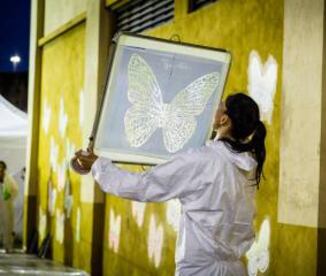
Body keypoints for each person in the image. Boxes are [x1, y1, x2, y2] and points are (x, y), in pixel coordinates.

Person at [75, 93, 267, 275]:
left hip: (200, 271)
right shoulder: (247, 167)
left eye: (220, 105)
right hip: (236, 270)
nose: (213, 107)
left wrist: (98, 166)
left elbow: (141, 187)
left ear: (224, 120)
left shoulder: (203, 160)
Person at [0, 161, 19, 252]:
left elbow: (15, 190)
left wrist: (9, 196)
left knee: (7, 226)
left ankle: (7, 246)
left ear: (4, 169)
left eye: (2, 167)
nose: (0, 169)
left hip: (6, 206)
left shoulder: (9, 179)